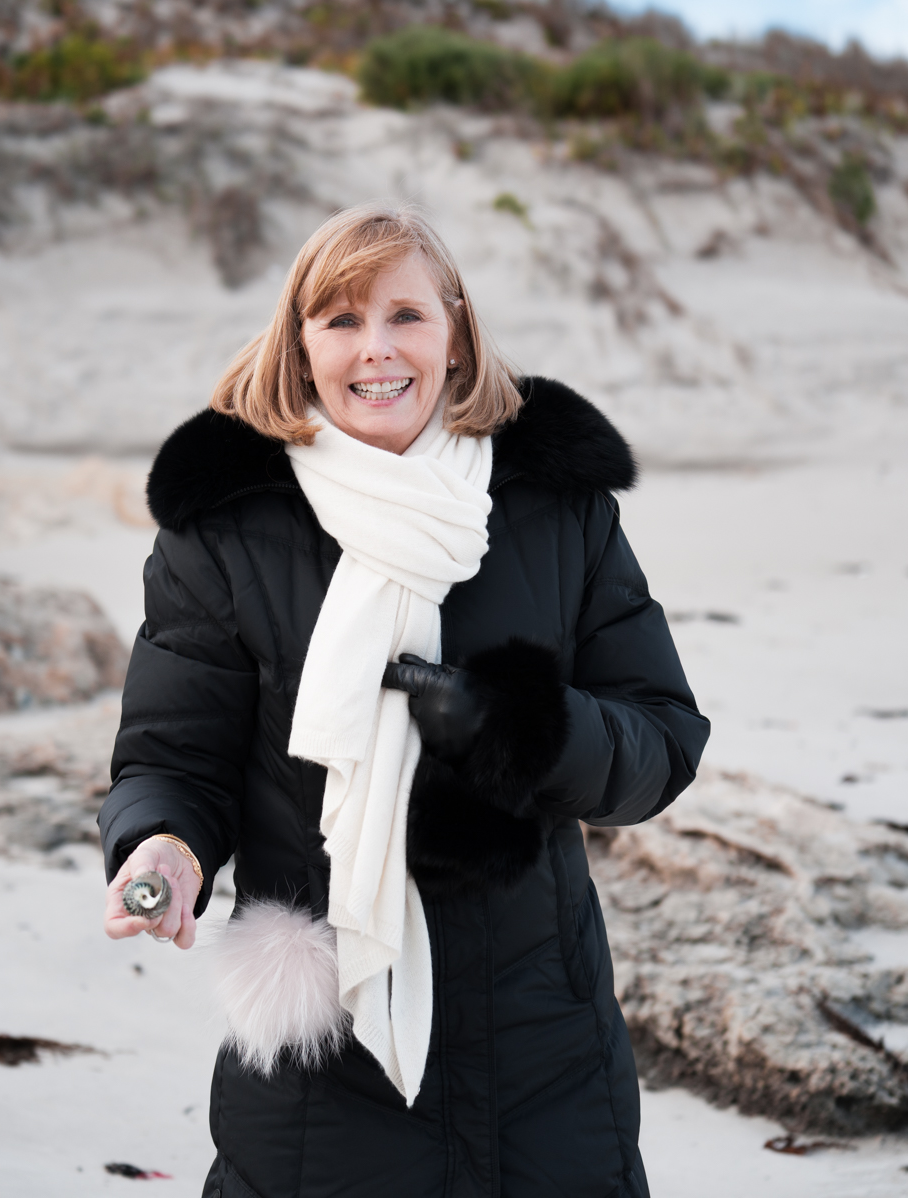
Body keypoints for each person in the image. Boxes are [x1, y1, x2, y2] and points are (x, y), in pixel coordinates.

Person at [100, 202, 708, 1198]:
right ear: (300, 345)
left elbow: (661, 743)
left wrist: (532, 729)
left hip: (543, 1049)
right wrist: (162, 843)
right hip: (322, 1065)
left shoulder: (556, 507)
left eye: (405, 316)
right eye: (340, 321)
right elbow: (174, 757)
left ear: (456, 330)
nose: (375, 350)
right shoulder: (228, 531)